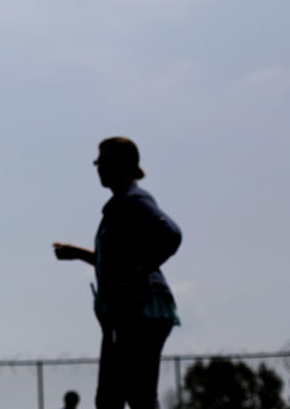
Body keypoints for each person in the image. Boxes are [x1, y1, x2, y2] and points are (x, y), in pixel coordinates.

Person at [53, 137, 181, 409]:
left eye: (106, 162)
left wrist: (139, 274)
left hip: (141, 312)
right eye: (98, 162)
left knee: (131, 395)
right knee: (118, 396)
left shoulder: (135, 200)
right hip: (127, 314)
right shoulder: (120, 205)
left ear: (126, 165)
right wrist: (77, 253)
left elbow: (171, 234)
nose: (99, 168)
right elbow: (114, 262)